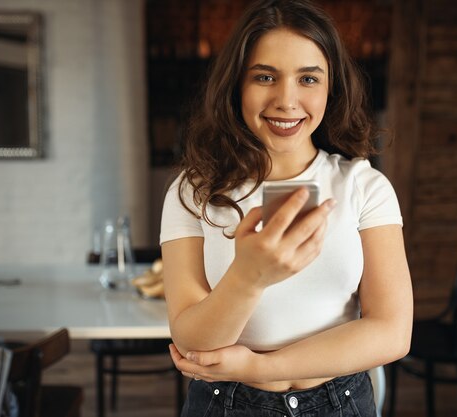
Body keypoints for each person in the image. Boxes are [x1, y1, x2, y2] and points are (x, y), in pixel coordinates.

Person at [159, 0, 413, 415]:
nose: (286, 100)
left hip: (340, 402)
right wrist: (249, 277)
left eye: (308, 78)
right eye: (264, 76)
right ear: (236, 85)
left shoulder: (365, 187)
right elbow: (191, 343)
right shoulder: (192, 192)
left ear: (332, 89)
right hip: (227, 405)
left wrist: (264, 367)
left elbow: (392, 333)